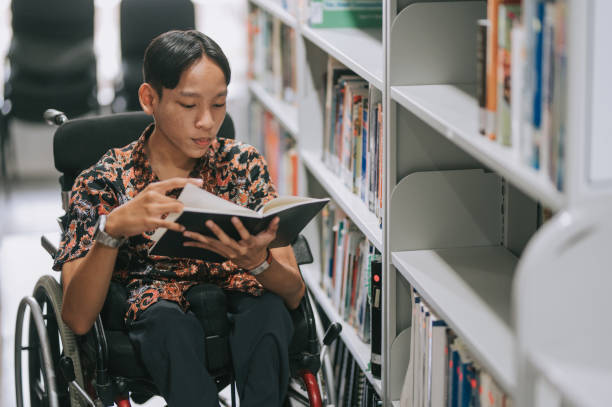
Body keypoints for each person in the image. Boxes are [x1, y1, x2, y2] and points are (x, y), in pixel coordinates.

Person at [52, 29, 305, 406]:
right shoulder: (103, 180)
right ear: (149, 99)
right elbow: (77, 319)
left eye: (219, 104)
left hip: (239, 297)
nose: (207, 121)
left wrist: (258, 263)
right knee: (166, 324)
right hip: (157, 314)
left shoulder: (243, 165)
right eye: (189, 106)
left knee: (268, 312)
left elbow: (294, 291)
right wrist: (112, 231)